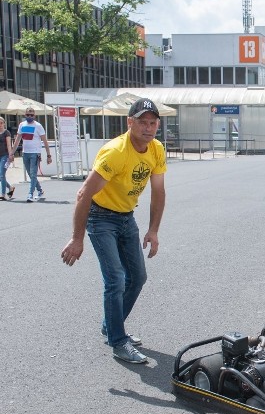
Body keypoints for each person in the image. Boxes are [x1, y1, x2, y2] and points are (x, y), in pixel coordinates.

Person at [60, 98, 167, 364]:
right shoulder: (116, 152)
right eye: (142, 122)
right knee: (116, 279)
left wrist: (153, 230)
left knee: (138, 277)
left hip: (126, 217)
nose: (148, 127)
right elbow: (84, 193)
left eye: (153, 122)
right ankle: (118, 341)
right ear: (129, 122)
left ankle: (111, 326)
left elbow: (158, 191)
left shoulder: (156, 149)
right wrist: (77, 238)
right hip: (100, 217)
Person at [10, 107, 52, 202]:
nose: (30, 116)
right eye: (28, 115)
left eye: (31, 115)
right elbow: (17, 140)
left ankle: (30, 194)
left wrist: (49, 155)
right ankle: (40, 191)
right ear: (25, 115)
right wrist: (12, 153)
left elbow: (45, 141)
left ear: (34, 116)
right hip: (25, 153)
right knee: (31, 174)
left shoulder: (38, 126)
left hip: (35, 153)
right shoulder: (22, 125)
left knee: (33, 174)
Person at [0, 117, 15, 201]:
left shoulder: (6, 132)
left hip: (5, 155)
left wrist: (10, 155)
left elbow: (9, 145)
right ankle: (10, 188)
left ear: (4, 123)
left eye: (1, 123)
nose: (0, 125)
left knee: (2, 174)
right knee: (0, 176)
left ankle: (3, 194)